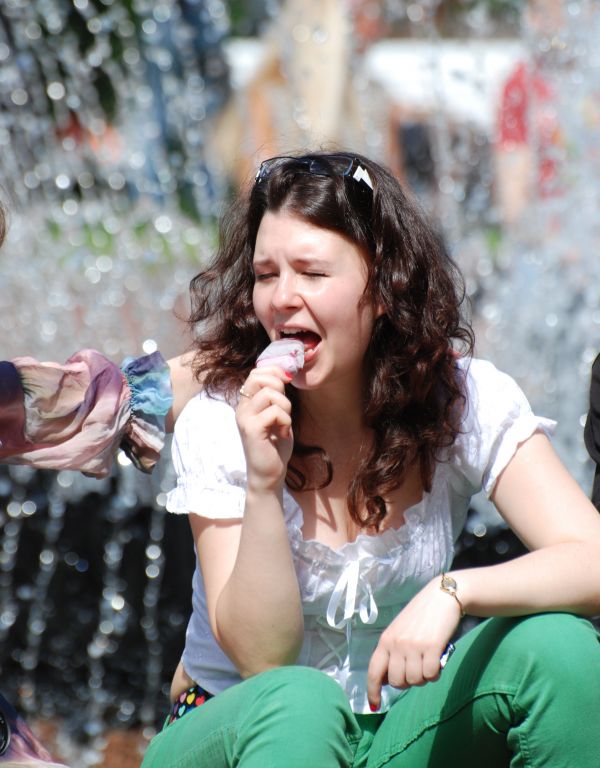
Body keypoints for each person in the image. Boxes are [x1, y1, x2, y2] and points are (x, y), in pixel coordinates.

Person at [2, 152, 600, 766]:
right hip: (243, 733)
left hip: (397, 730)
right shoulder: (222, 416)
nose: (283, 299)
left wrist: (455, 592)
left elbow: (593, 558)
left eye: (312, 273)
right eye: (266, 274)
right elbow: (264, 661)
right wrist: (263, 482)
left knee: (559, 649)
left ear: (386, 287)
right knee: (300, 703)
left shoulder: (458, 398)